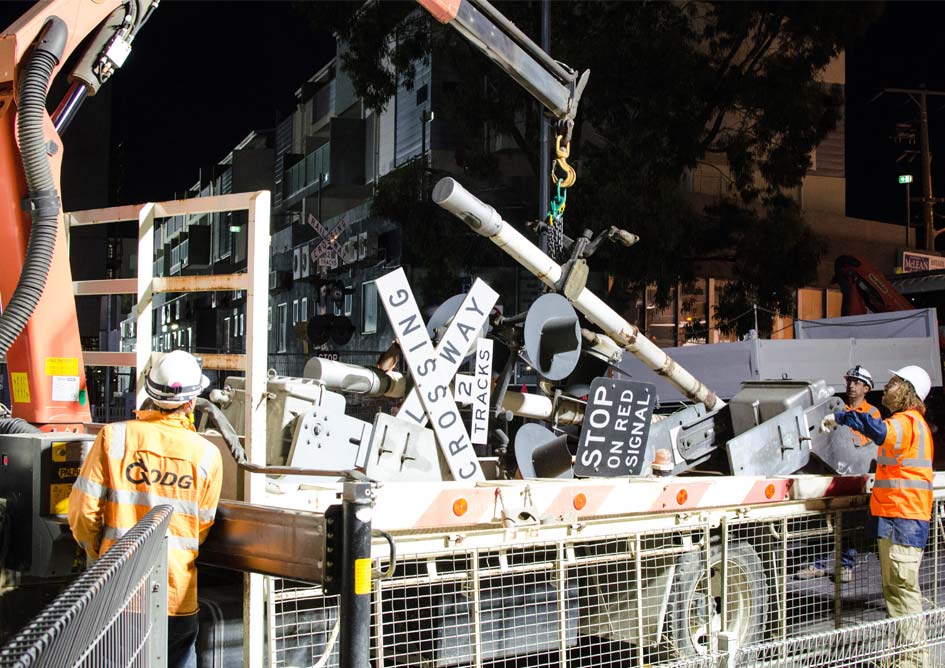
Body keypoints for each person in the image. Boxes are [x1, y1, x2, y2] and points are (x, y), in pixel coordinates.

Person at [68, 350, 223, 668]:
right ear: (191, 403)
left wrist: (99, 555)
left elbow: (83, 514)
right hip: (176, 597)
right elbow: (202, 527)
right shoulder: (207, 455)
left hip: (118, 595)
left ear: (149, 393)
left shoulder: (114, 438)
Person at [823, 364, 934, 668]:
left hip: (904, 519)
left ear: (908, 391)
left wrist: (842, 416)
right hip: (898, 519)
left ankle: (913, 660)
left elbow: (879, 431)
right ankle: (903, 657)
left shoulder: (906, 422)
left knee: (902, 592)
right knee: (896, 594)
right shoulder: (913, 425)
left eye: (895, 382)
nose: (887, 386)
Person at [797, 365, 881, 583]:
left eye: (856, 383)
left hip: (853, 475)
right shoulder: (837, 410)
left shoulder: (872, 413)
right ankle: (817, 564)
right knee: (820, 520)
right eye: (849, 382)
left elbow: (864, 445)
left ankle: (845, 565)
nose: (851, 386)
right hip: (829, 472)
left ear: (866, 388)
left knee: (849, 522)